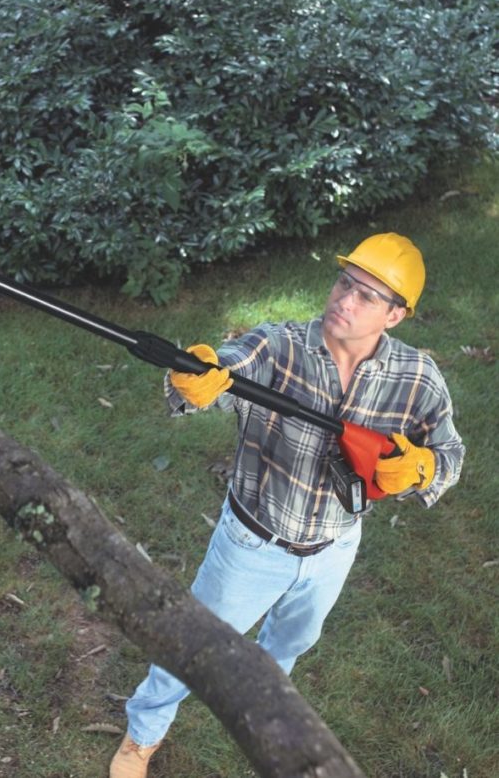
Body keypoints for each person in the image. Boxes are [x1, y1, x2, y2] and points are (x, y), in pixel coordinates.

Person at [109, 232, 465, 778]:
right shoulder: (280, 346)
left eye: (367, 296)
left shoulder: (417, 380)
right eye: (345, 282)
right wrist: (192, 378)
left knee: (288, 648)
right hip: (252, 544)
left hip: (333, 550)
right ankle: (142, 736)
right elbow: (224, 368)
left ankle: (264, 721)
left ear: (395, 316)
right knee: (193, 647)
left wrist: (423, 468)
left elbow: (450, 453)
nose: (345, 299)